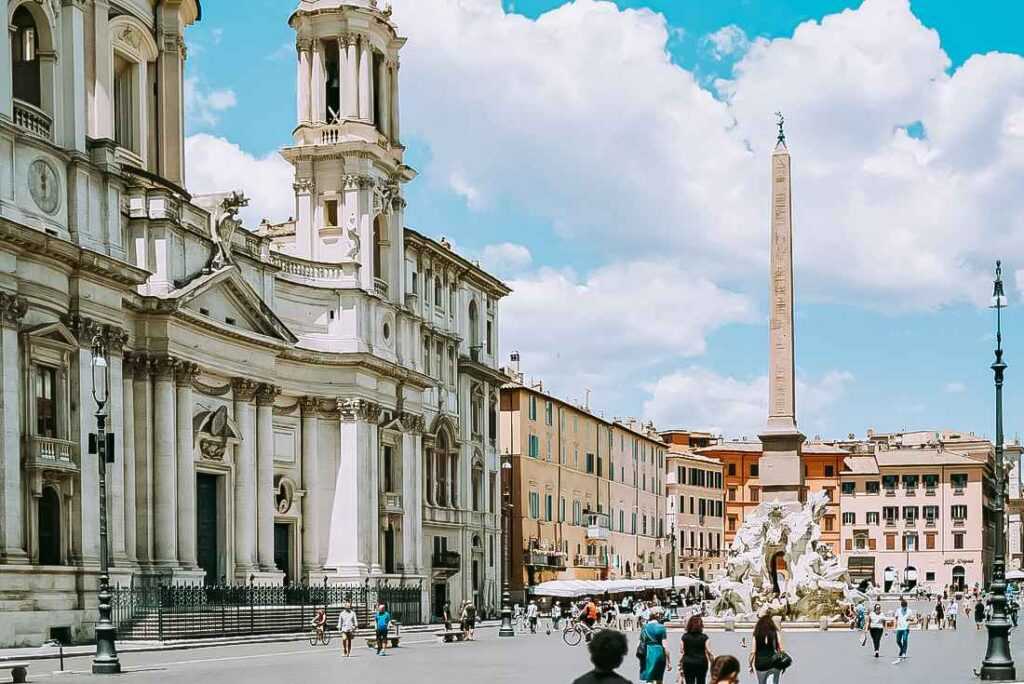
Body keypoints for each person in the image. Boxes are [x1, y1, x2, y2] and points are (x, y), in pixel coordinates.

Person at [639, 607, 672, 683]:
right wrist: (669, 662)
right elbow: (665, 646)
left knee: (649, 679)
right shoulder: (661, 628)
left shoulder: (644, 627)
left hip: (648, 653)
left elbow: (639, 644)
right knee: (659, 679)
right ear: (658, 616)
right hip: (659, 653)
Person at [749, 615, 784, 684]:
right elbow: (781, 649)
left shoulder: (756, 634)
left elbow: (753, 652)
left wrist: (750, 665)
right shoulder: (775, 632)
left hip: (761, 663)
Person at [680, 615, 714, 684]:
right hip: (701, 663)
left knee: (689, 682)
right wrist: (713, 663)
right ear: (701, 625)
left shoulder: (684, 637)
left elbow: (682, 652)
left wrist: (680, 665)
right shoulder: (704, 637)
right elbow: (709, 651)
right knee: (701, 681)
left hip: (688, 663)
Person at [893, 598, 914, 664]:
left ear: (906, 605)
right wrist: (894, 627)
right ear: (901, 605)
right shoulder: (898, 610)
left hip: (906, 628)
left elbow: (913, 618)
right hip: (899, 628)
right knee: (898, 641)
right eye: (903, 605)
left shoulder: (909, 611)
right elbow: (895, 619)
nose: (904, 607)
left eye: (905, 605)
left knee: (905, 639)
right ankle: (902, 649)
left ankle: (904, 652)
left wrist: (910, 619)